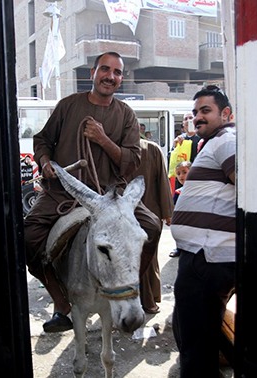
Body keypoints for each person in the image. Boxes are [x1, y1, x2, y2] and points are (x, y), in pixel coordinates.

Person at [24, 51, 161, 333]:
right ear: (93, 73)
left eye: (117, 72)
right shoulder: (67, 106)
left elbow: (133, 160)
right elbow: (42, 141)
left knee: (151, 225)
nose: (110, 76)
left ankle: (127, 293)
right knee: (27, 236)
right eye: (105, 69)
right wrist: (46, 161)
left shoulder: (125, 114)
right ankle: (62, 304)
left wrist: (102, 138)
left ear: (121, 78)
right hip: (64, 192)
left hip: (109, 193)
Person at [170, 85, 236, 378]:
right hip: (200, 256)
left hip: (206, 257)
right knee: (198, 336)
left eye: (205, 111)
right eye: (195, 112)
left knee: (196, 347)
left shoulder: (227, 141)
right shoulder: (213, 142)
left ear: (226, 114)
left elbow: (248, 187)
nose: (198, 117)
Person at [126, 138, 174, 314]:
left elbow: (161, 180)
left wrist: (167, 212)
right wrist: (167, 212)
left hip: (127, 213)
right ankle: (148, 300)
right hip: (151, 213)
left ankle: (144, 300)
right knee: (148, 258)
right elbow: (162, 181)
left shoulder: (114, 147)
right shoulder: (152, 148)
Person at [169, 160, 192, 258]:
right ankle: (179, 248)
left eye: (184, 172)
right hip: (181, 219)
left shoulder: (197, 190)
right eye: (178, 174)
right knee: (179, 233)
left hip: (193, 218)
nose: (181, 176)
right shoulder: (178, 192)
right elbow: (173, 206)